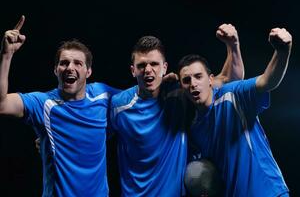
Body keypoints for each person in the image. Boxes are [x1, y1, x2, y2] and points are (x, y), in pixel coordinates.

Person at [109, 23, 244, 196]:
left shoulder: (180, 95)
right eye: (141, 65)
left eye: (154, 64)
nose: (148, 70)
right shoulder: (118, 105)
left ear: (164, 67)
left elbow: (230, 79)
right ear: (133, 70)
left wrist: (232, 45)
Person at [0, 15, 120, 197]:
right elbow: (2, 104)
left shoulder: (104, 94)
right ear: (56, 70)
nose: (70, 67)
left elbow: (139, 99)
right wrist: (6, 55)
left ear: (88, 72)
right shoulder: (43, 103)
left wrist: (164, 86)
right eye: (64, 63)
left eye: (78, 63)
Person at [178, 27, 292, 196]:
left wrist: (283, 51)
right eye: (186, 80)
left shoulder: (231, 95)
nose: (193, 84)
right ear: (182, 88)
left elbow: (267, 81)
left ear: (211, 79)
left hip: (268, 192)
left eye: (198, 76)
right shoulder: (195, 129)